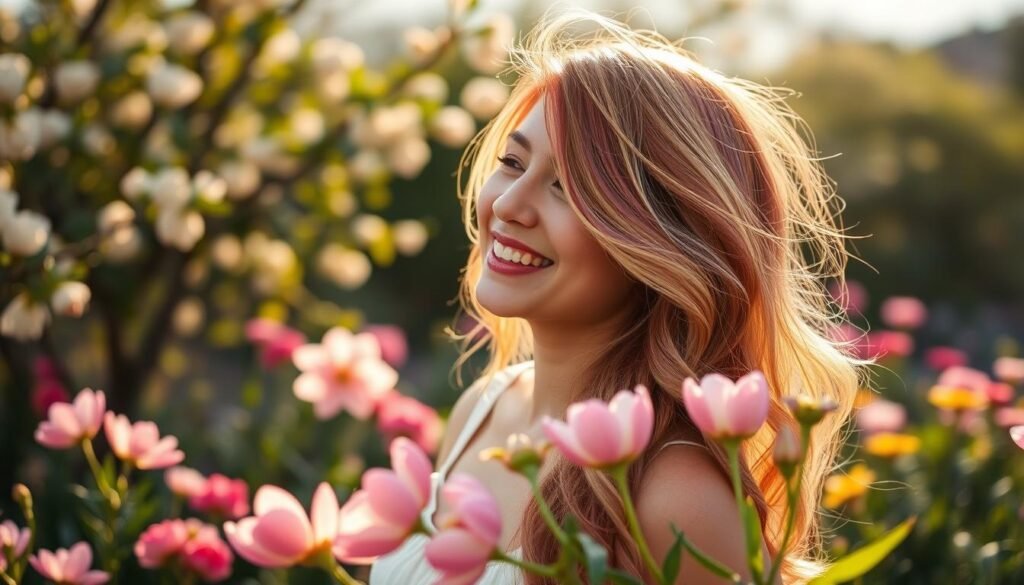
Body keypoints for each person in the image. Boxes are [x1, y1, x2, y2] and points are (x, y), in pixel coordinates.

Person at [370, 8, 865, 585]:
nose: (507, 205)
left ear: (661, 237)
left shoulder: (673, 497)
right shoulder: (485, 409)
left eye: (570, 187)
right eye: (512, 162)